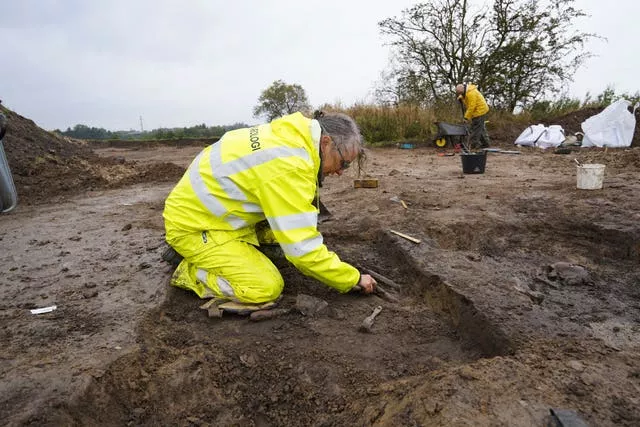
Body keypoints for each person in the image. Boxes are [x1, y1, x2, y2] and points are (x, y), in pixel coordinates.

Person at [162, 111, 377, 308]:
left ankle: (224, 253)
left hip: (214, 213)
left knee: (281, 240)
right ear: (326, 142)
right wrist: (353, 278)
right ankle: (190, 269)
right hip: (195, 227)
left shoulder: (292, 133)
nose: (341, 172)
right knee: (265, 288)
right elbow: (302, 250)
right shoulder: (288, 166)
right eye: (343, 163)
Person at [456, 83, 490, 148]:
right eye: (460, 93)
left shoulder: (471, 93)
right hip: (477, 110)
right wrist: (461, 97)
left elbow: (471, 107)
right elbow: (465, 96)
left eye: (461, 93)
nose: (461, 94)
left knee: (475, 129)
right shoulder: (467, 91)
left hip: (480, 111)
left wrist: (466, 118)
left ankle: (474, 145)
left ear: (463, 89)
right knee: (480, 128)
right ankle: (486, 144)